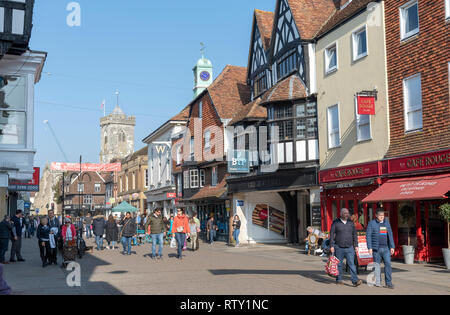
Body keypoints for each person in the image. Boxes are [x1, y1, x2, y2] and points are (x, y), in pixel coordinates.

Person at [330, 208, 362, 287]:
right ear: (341, 214)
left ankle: (355, 281)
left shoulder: (351, 223)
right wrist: (331, 246)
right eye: (344, 213)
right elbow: (331, 235)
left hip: (349, 247)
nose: (346, 214)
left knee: (351, 264)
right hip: (338, 247)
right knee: (339, 264)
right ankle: (339, 279)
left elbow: (354, 234)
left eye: (347, 213)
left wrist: (356, 245)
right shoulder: (335, 222)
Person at [366, 208, 395, 289]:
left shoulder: (386, 223)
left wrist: (392, 246)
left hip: (386, 248)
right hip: (376, 249)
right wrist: (369, 247)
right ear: (376, 215)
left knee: (388, 264)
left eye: (383, 215)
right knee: (377, 266)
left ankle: (388, 282)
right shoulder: (371, 223)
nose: (382, 217)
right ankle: (378, 281)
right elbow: (368, 236)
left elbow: (390, 235)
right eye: (380, 215)